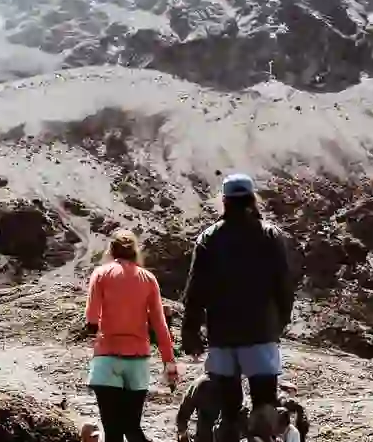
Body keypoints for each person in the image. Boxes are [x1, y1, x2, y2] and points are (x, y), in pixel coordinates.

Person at [182, 174, 295, 442]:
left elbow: (195, 290)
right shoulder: (270, 235)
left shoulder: (209, 238)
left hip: (222, 337)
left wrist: (191, 331)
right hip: (260, 335)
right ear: (253, 199)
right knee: (265, 409)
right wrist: (278, 323)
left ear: (224, 201)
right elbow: (284, 285)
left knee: (229, 410)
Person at [85, 229, 178, 442]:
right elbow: (160, 325)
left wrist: (93, 334)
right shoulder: (148, 279)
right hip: (138, 361)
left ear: (111, 250)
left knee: (113, 432)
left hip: (106, 358)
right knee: (132, 428)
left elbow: (91, 318)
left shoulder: (100, 274)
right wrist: (169, 364)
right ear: (135, 252)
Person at [176, 371, 222, 442]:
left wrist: (182, 433)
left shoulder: (199, 382)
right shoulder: (232, 383)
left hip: (204, 435)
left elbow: (184, 411)